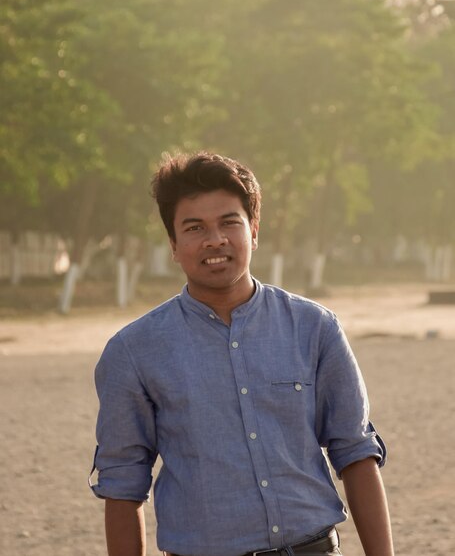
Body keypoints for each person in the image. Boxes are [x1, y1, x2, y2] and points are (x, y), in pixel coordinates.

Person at [90, 152, 394, 556]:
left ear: (253, 231)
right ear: (174, 245)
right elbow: (123, 485)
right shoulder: (133, 351)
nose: (215, 239)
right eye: (195, 227)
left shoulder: (314, 327)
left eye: (229, 223)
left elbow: (355, 453)